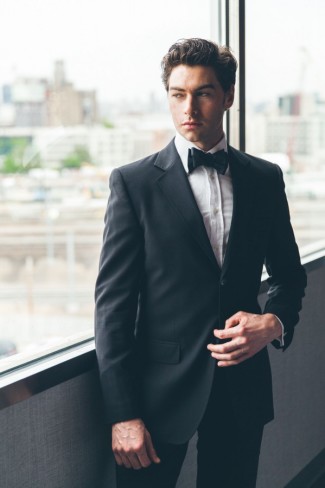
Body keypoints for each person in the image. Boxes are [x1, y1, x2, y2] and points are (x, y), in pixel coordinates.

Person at [95, 38, 307, 488]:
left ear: (228, 97)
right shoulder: (133, 184)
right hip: (155, 398)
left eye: (204, 93)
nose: (189, 107)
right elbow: (112, 308)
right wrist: (123, 414)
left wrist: (274, 323)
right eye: (178, 94)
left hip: (241, 387)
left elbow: (289, 275)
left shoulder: (265, 180)